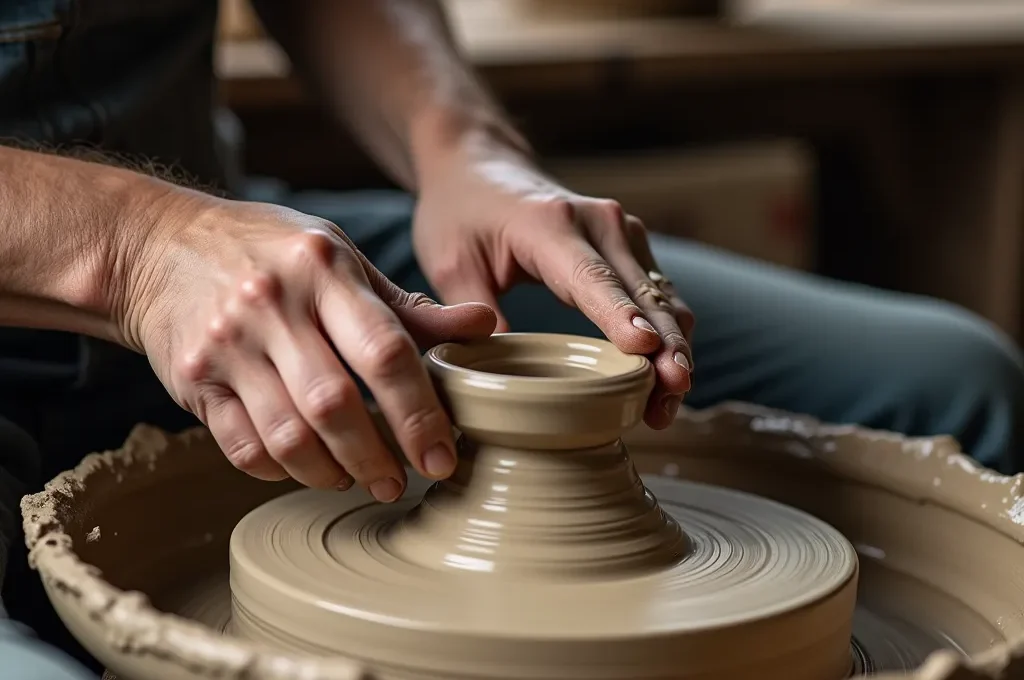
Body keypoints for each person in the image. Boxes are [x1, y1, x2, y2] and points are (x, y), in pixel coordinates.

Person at [0, 1, 1022, 677]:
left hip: (235, 248)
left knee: (954, 387)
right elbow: (138, 247)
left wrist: (464, 150)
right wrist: (133, 249)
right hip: (141, 257)